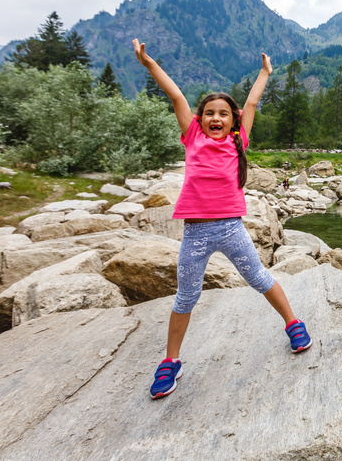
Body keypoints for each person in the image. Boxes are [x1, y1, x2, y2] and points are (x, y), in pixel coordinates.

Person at [133, 39, 311, 400]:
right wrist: (149, 64)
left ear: (232, 123)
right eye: (210, 112)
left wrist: (265, 73)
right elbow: (177, 96)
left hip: (231, 228)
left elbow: (252, 102)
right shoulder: (192, 136)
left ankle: (293, 323)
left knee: (260, 277)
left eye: (223, 114)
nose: (216, 117)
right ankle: (171, 361)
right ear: (200, 119)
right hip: (195, 233)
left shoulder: (237, 142)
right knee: (186, 297)